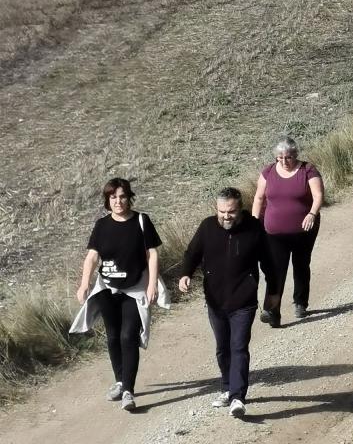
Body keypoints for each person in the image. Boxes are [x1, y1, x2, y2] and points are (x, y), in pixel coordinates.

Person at [71, 178, 165, 413]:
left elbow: (152, 255)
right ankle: (121, 381)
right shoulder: (102, 225)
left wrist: (152, 284)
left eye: (122, 196)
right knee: (112, 336)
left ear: (129, 197)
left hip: (134, 288)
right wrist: (84, 284)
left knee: (127, 336)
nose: (118, 201)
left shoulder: (141, 221)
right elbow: (92, 257)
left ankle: (128, 391)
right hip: (107, 289)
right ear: (107, 200)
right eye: (113, 197)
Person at [179, 187, 270, 419]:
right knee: (223, 348)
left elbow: (270, 263)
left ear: (240, 209)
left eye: (231, 211)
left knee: (239, 347)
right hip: (215, 301)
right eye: (222, 211)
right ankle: (227, 387)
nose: (226, 216)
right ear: (216, 209)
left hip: (244, 301)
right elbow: (192, 253)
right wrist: (185, 273)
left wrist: (274, 292)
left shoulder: (254, 229)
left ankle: (238, 397)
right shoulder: (208, 227)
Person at [251, 137, 324, 327]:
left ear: (296, 155)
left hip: (304, 230)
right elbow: (259, 198)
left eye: (288, 157)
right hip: (273, 232)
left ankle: (300, 302)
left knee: (300, 264)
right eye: (280, 158)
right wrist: (253, 223)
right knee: (276, 271)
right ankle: (272, 311)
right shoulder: (268, 172)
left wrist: (312, 213)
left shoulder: (308, 170)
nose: (284, 161)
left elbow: (318, 195)